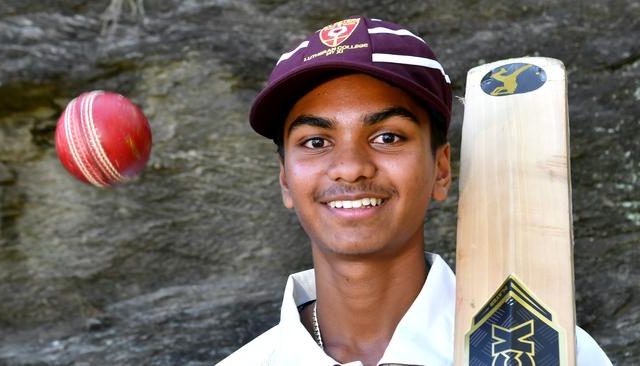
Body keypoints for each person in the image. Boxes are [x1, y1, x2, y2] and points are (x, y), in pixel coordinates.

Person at [218, 16, 612, 366]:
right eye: (316, 142)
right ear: (286, 180)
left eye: (387, 137)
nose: (351, 167)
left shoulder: (557, 354)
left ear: (441, 170)